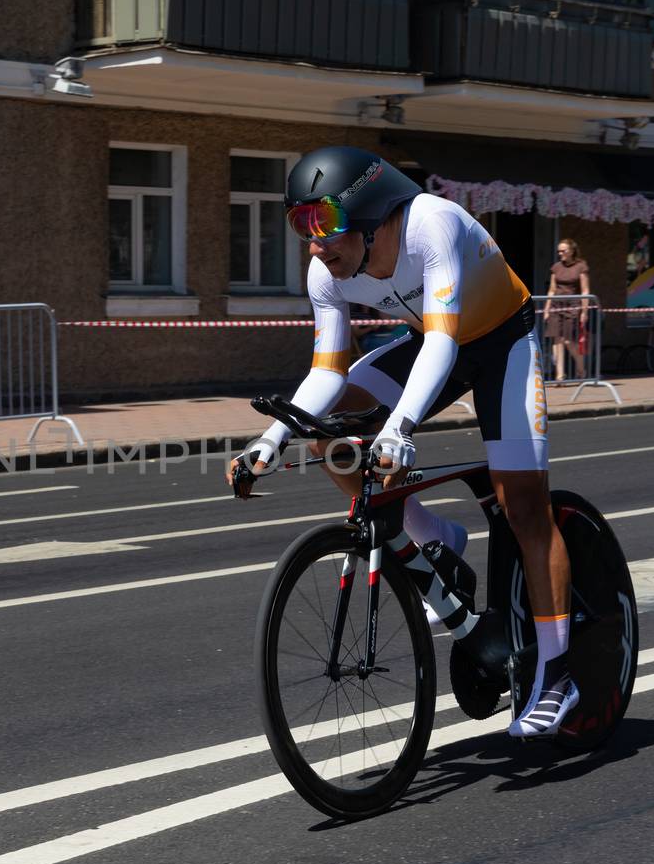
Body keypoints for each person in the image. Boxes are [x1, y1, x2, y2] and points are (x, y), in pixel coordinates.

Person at [224, 146, 577, 738]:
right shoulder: (325, 271)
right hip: (431, 340)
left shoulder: (430, 224)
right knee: (330, 435)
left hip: (500, 344)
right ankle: (432, 536)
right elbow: (328, 372)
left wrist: (398, 430)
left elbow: (446, 341)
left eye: (324, 226)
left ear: (368, 215)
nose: (314, 246)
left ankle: (558, 676)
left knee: (523, 506)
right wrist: (272, 438)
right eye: (300, 226)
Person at [543, 239, 590, 381]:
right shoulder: (556, 267)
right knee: (557, 340)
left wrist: (585, 311)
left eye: (563, 251)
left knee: (569, 341)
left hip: (573, 306)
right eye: (559, 251)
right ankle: (560, 375)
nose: (560, 253)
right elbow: (552, 289)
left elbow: (585, 290)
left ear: (571, 251)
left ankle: (581, 367)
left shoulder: (581, 266)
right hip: (556, 306)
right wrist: (546, 308)